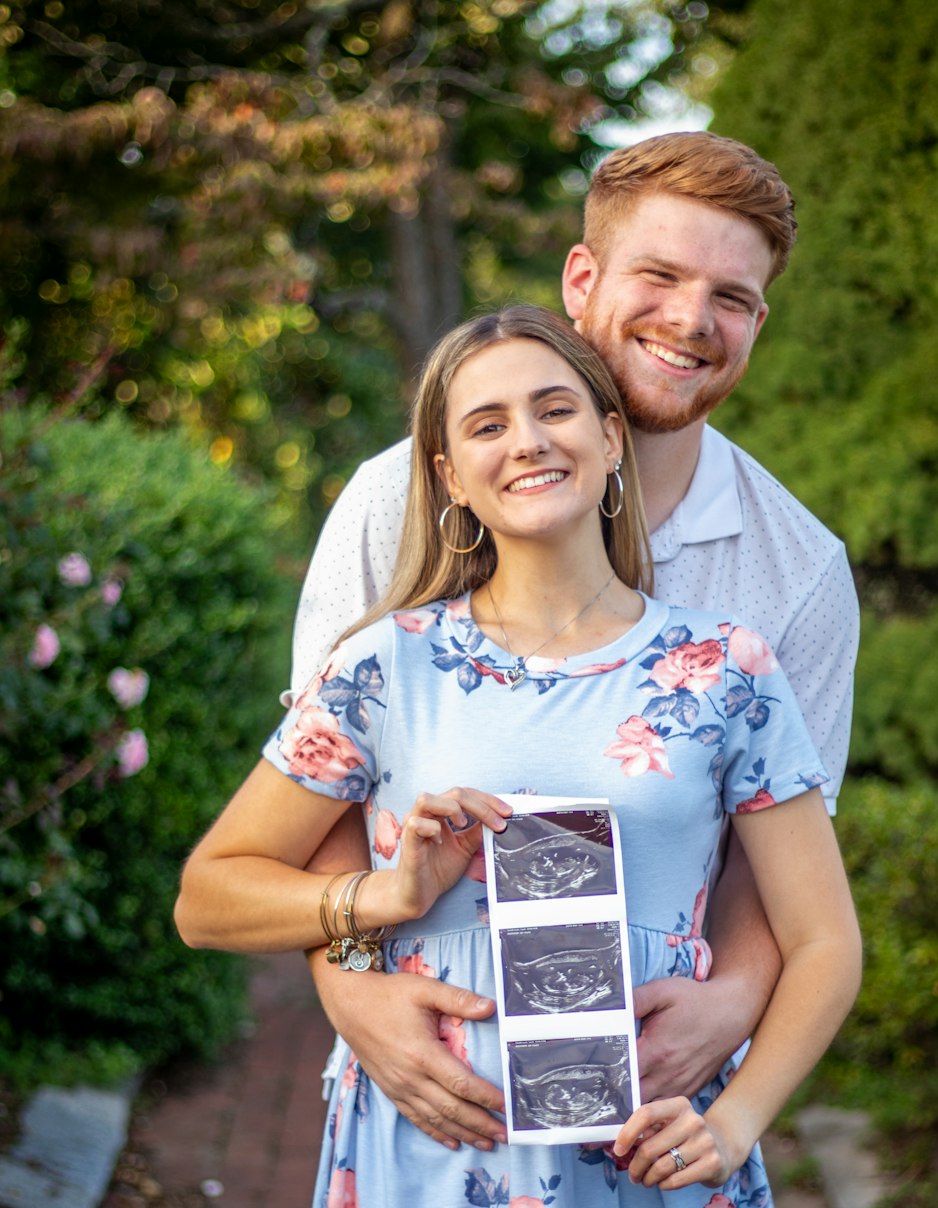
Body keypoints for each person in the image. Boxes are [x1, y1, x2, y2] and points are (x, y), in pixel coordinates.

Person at [175, 305, 861, 1208]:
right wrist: (378, 895)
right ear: (448, 477)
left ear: (605, 437)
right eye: (483, 424)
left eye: (552, 409)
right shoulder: (382, 665)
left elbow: (822, 941)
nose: (524, 441)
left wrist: (739, 1119)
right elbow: (209, 897)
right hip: (435, 1157)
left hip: (647, 1156)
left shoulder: (724, 668)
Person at [286, 132, 860, 1153]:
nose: (691, 320)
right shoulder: (396, 498)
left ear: (759, 321)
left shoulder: (798, 572)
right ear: (583, 280)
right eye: (660, 275)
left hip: (651, 1108)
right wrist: (349, 990)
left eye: (730, 296)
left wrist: (733, 1000)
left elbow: (777, 861)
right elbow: (323, 787)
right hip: (429, 1088)